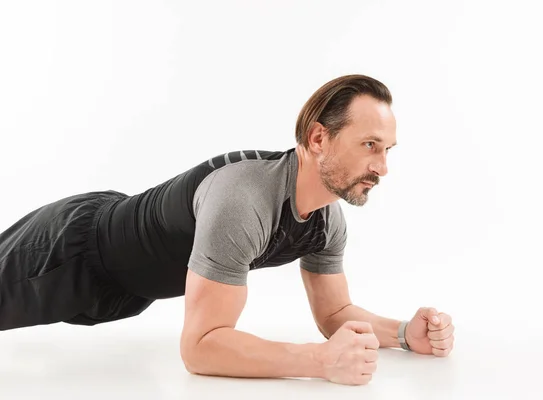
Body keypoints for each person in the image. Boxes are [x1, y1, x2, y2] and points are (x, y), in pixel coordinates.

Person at [0, 74, 454, 385]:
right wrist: (319, 361)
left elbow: (335, 314)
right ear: (318, 139)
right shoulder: (244, 202)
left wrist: (401, 335)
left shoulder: (325, 219)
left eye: (388, 149)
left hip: (126, 287)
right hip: (70, 254)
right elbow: (199, 349)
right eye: (370, 145)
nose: (383, 167)